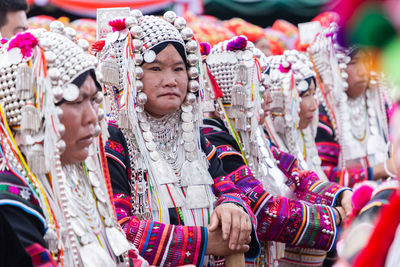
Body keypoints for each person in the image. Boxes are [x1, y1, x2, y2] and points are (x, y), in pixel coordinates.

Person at [95, 10, 260, 266]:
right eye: (156, 68)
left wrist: (232, 207)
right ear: (128, 74)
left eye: (178, 69)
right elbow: (117, 229)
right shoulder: (113, 141)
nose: (170, 80)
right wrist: (204, 241)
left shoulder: (196, 139)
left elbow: (230, 188)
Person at [0, 24, 146, 266]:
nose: (93, 117)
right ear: (33, 113)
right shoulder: (10, 205)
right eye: (78, 101)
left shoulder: (83, 176)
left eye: (93, 100)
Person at [200, 36, 351, 266]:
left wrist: (342, 195)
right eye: (259, 89)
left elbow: (298, 176)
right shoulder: (216, 139)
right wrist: (336, 216)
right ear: (234, 91)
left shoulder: (257, 137)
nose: (269, 98)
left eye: (268, 89)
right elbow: (263, 210)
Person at [308, 23, 395, 188]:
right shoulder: (321, 114)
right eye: (354, 63)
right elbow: (322, 174)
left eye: (366, 62)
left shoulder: (380, 105)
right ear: (334, 67)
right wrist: (380, 169)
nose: (363, 71)